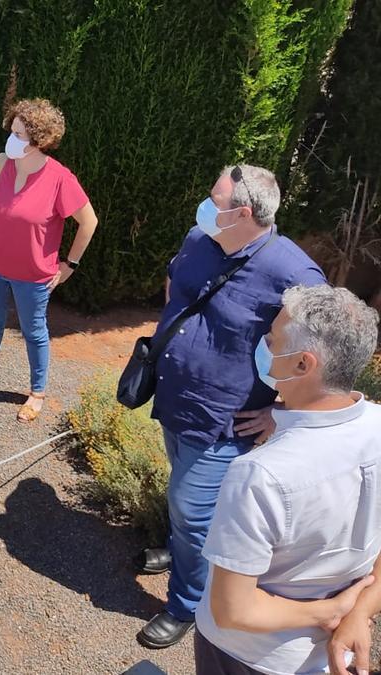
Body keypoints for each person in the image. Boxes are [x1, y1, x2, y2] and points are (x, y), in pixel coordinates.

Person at [135, 164, 327, 649]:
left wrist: (279, 410)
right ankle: (181, 553)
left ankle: (185, 604)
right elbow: (175, 284)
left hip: (226, 417)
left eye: (213, 198)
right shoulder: (199, 239)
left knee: (191, 507)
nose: (204, 204)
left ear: (242, 213)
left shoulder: (295, 274)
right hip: (176, 397)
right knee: (182, 487)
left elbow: (319, 355)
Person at [195, 284, 381, 675]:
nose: (262, 342)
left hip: (250, 657)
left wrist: (332, 611)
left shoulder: (260, 475)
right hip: (328, 657)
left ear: (303, 365)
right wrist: (360, 609)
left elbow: (233, 610)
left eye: (272, 337)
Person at [0, 98, 99, 423]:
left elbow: (88, 222)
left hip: (34, 274)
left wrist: (70, 265)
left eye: (20, 134)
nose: (12, 138)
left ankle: (37, 392)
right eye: (13, 130)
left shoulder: (60, 179)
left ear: (40, 141)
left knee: (34, 330)